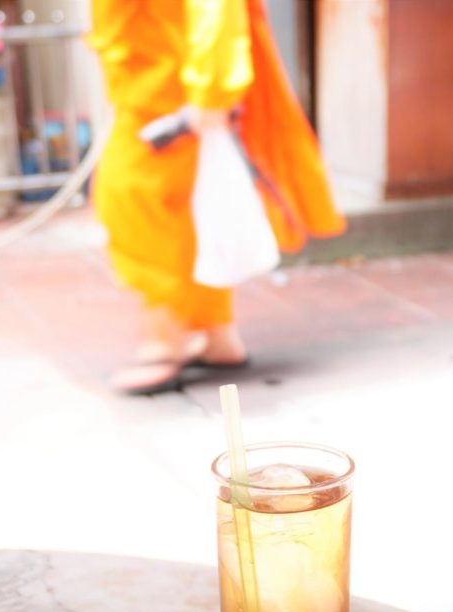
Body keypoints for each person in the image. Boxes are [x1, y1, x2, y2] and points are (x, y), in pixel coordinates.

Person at [88, 0, 345, 395]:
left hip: (172, 93)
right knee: (189, 212)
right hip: (151, 88)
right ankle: (216, 335)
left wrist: (209, 95)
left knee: (141, 205)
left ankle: (165, 338)